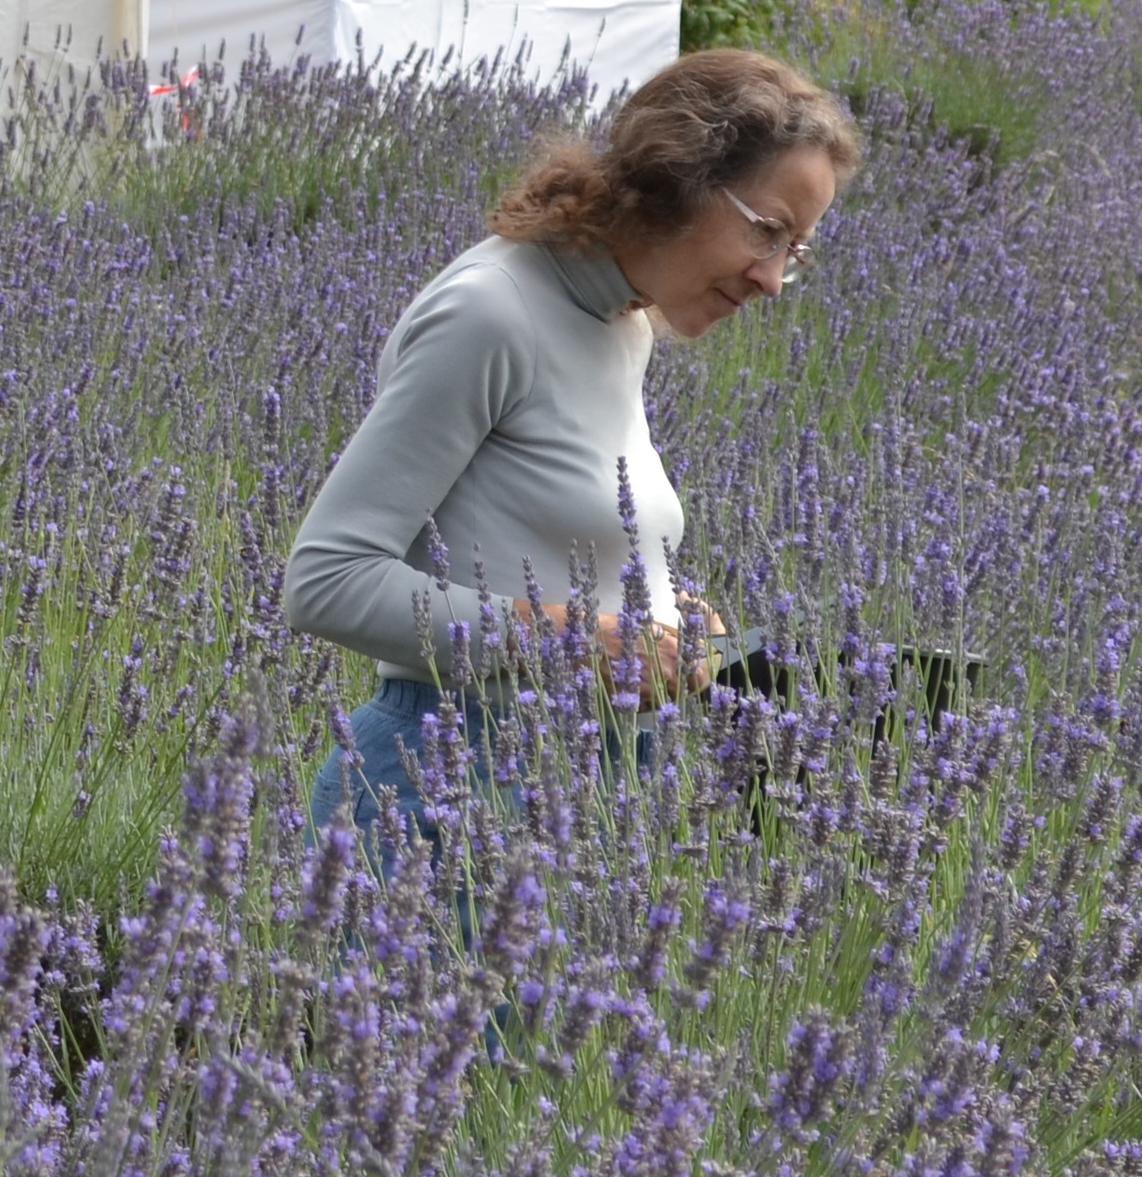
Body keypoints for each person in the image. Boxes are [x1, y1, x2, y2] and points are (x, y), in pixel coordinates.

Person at [283, 48, 859, 880]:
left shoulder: (624, 319)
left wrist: (666, 620)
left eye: (795, 251)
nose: (773, 278)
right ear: (677, 177)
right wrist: (583, 638)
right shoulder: (490, 311)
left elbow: (540, 526)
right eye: (766, 230)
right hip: (443, 798)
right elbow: (327, 578)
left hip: (582, 798)